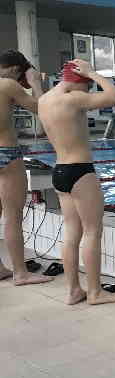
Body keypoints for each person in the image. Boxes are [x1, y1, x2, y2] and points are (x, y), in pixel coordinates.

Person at [39, 60, 115, 305]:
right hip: (80, 172)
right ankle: (95, 292)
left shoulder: (44, 100)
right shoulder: (73, 99)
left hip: (59, 171)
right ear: (79, 81)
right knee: (92, 231)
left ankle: (73, 290)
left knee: (71, 232)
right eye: (88, 86)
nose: (89, 91)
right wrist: (93, 73)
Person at [0, 50, 52, 286]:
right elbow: (44, 108)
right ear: (15, 70)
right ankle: (21, 273)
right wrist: (35, 83)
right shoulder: (8, 85)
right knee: (13, 216)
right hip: (6, 153)